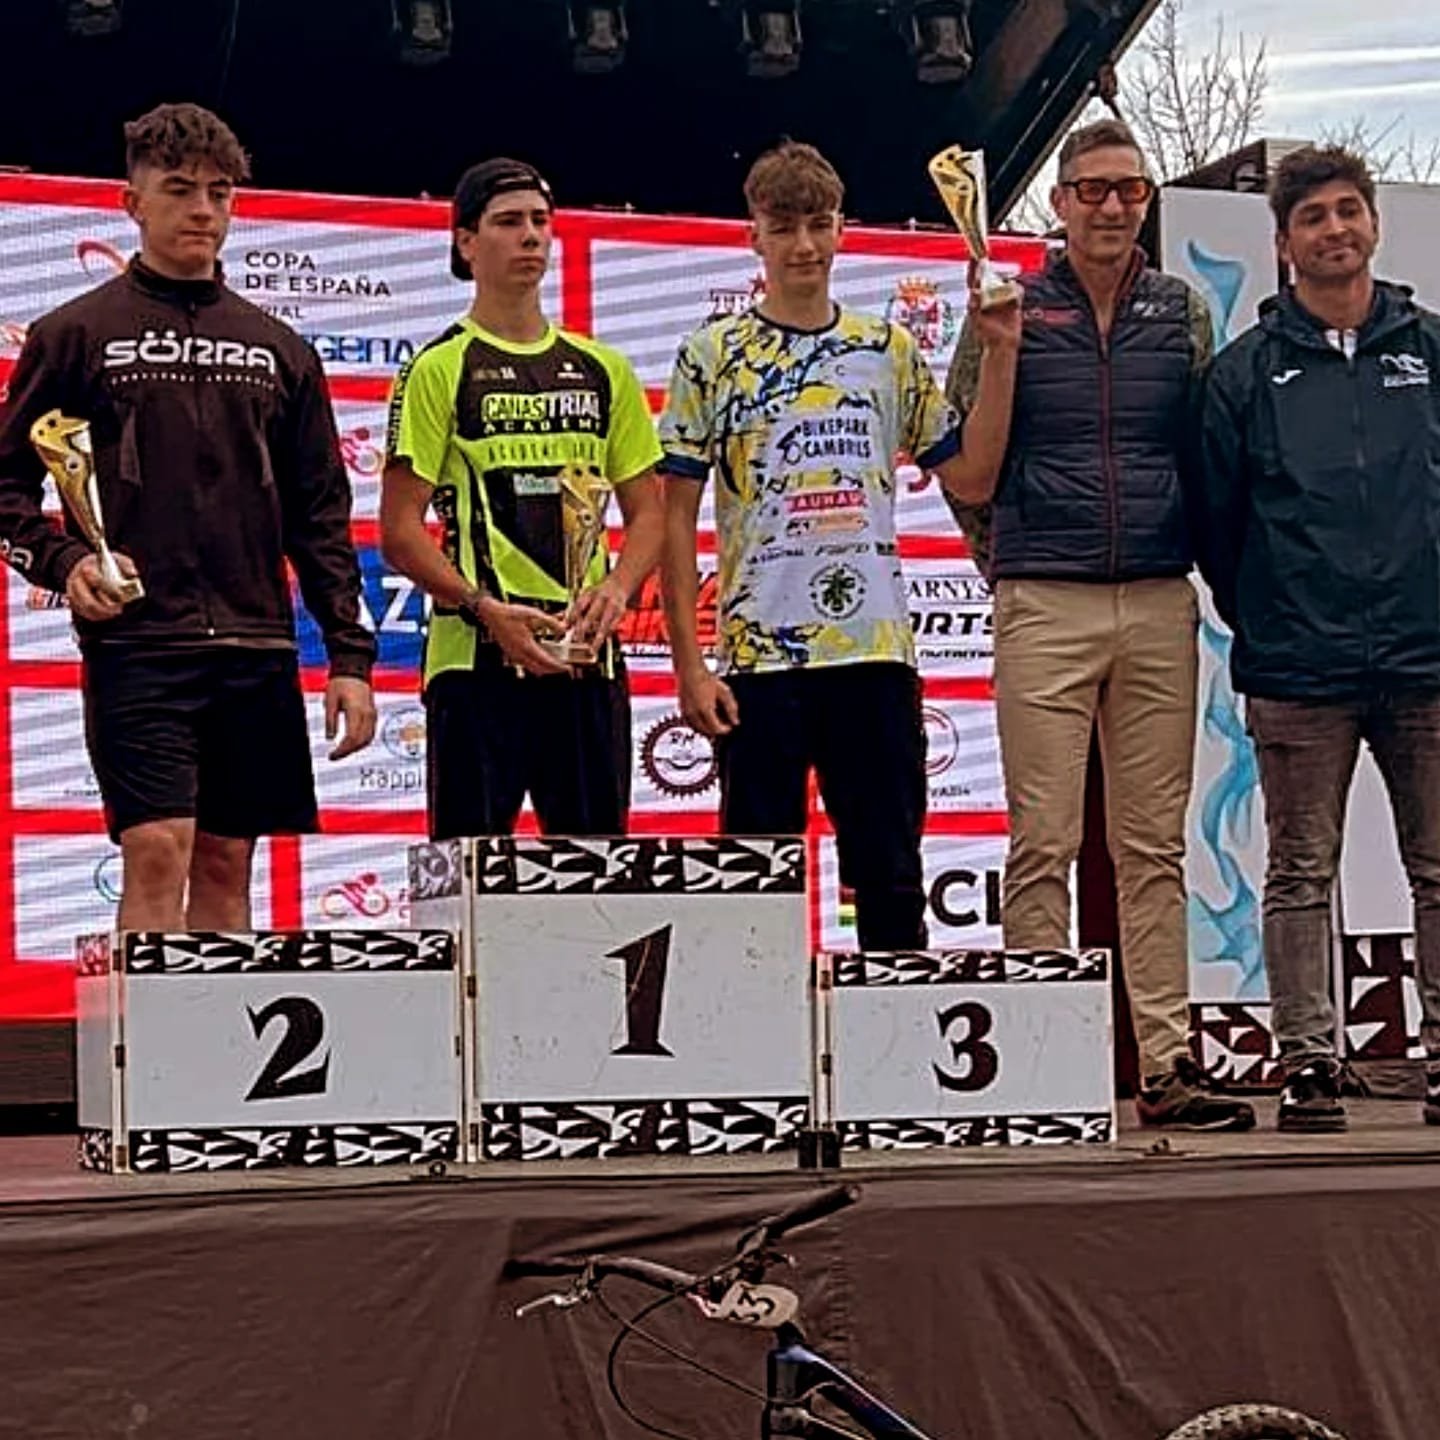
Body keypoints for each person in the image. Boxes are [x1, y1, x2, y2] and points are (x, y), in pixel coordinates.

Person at [944, 117, 1254, 1131]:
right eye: (1093, 189)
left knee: (1153, 847)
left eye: (1129, 189)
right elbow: (967, 470)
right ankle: (1044, 1070)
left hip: (1159, 598)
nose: (1113, 206)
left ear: (1146, 201)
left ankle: (1166, 1063)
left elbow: (1206, 456)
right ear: (1060, 203)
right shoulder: (1009, 303)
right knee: (1042, 841)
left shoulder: (1182, 311)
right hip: (1045, 597)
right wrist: (1008, 564)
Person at [0, 102, 376, 932]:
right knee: (157, 847)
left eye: (219, 193)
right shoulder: (74, 334)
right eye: (179, 190)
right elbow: (6, 485)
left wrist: (349, 655)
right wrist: (66, 564)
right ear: (132, 203)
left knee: (225, 860)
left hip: (256, 644)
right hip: (139, 643)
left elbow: (321, 513)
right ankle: (146, 1023)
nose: (203, 210)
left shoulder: (281, 348)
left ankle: (216, 1024)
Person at [658, 140, 1019, 952]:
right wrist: (688, 664)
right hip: (760, 661)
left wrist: (1001, 353)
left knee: (889, 883)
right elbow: (674, 515)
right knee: (755, 896)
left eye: (818, 225)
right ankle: (762, 1031)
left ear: (842, 229)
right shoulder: (712, 356)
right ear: (754, 236)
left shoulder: (886, 350)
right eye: (784, 227)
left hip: (874, 656)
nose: (804, 246)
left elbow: (972, 476)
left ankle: (884, 1035)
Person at [1193, 145, 1440, 1132]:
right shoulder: (1244, 373)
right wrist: (1272, 614)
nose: (1334, 229)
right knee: (1299, 871)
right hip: (1298, 667)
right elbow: (1216, 524)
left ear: (1374, 224)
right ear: (1283, 242)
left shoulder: (1431, 351)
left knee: (1438, 870)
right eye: (1313, 217)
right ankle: (1307, 1063)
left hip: (1427, 659)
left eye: (1348, 211)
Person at [381, 158, 664, 840]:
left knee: (598, 879)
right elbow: (398, 530)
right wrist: (482, 607)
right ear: (466, 242)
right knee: (469, 882)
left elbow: (651, 512)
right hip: (475, 659)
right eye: (508, 222)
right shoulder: (438, 369)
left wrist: (618, 589)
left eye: (540, 221)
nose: (530, 236)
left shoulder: (604, 369)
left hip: (585, 657)